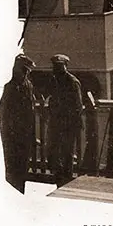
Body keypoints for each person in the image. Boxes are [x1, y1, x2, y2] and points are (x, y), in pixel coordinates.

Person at [0, 54, 36, 194]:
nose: (25, 73)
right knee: (11, 170)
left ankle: (20, 192)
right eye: (23, 70)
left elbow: (30, 110)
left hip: (24, 134)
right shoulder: (8, 86)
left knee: (22, 169)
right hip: (11, 135)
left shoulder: (28, 85)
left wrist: (32, 135)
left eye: (27, 71)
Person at [47, 54, 83, 187]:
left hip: (68, 123)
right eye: (55, 66)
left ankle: (66, 180)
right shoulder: (55, 80)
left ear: (65, 66)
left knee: (67, 152)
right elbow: (52, 99)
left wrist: (74, 123)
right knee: (55, 151)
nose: (55, 69)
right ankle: (59, 178)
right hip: (56, 122)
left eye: (59, 66)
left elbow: (78, 105)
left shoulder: (72, 81)